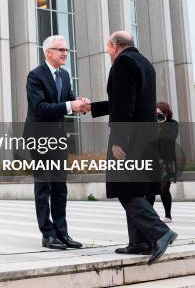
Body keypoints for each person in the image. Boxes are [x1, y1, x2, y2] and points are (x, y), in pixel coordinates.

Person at [90, 31, 177, 265]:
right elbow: (128, 100)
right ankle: (141, 242)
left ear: (115, 45)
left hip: (128, 138)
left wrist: (118, 139)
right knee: (141, 189)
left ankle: (160, 232)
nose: (108, 51)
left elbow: (124, 106)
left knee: (125, 188)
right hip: (146, 136)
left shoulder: (122, 63)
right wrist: (92, 107)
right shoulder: (145, 64)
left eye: (108, 47)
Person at [24, 35, 89, 250]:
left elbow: (67, 100)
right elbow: (40, 108)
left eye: (66, 50)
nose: (65, 53)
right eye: (60, 49)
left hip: (58, 137)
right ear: (47, 52)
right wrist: (70, 105)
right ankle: (47, 234)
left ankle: (62, 233)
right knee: (44, 186)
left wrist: (80, 103)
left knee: (60, 187)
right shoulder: (35, 76)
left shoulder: (65, 75)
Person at [145, 102, 179, 223]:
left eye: (160, 114)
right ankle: (149, 216)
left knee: (164, 189)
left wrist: (161, 124)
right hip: (153, 161)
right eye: (155, 114)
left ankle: (168, 215)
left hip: (167, 162)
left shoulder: (172, 124)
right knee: (150, 190)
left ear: (166, 113)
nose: (157, 116)